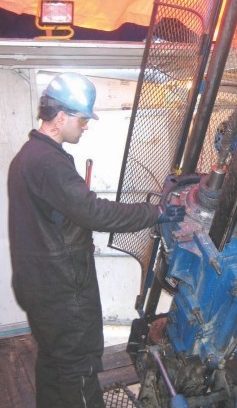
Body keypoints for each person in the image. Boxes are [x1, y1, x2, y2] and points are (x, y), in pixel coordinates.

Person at [7, 72, 185, 408]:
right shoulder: (48, 164)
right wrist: (155, 212)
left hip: (38, 285)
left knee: (54, 363)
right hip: (62, 291)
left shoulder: (27, 157)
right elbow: (95, 213)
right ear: (61, 117)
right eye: (83, 118)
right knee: (79, 368)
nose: (85, 125)